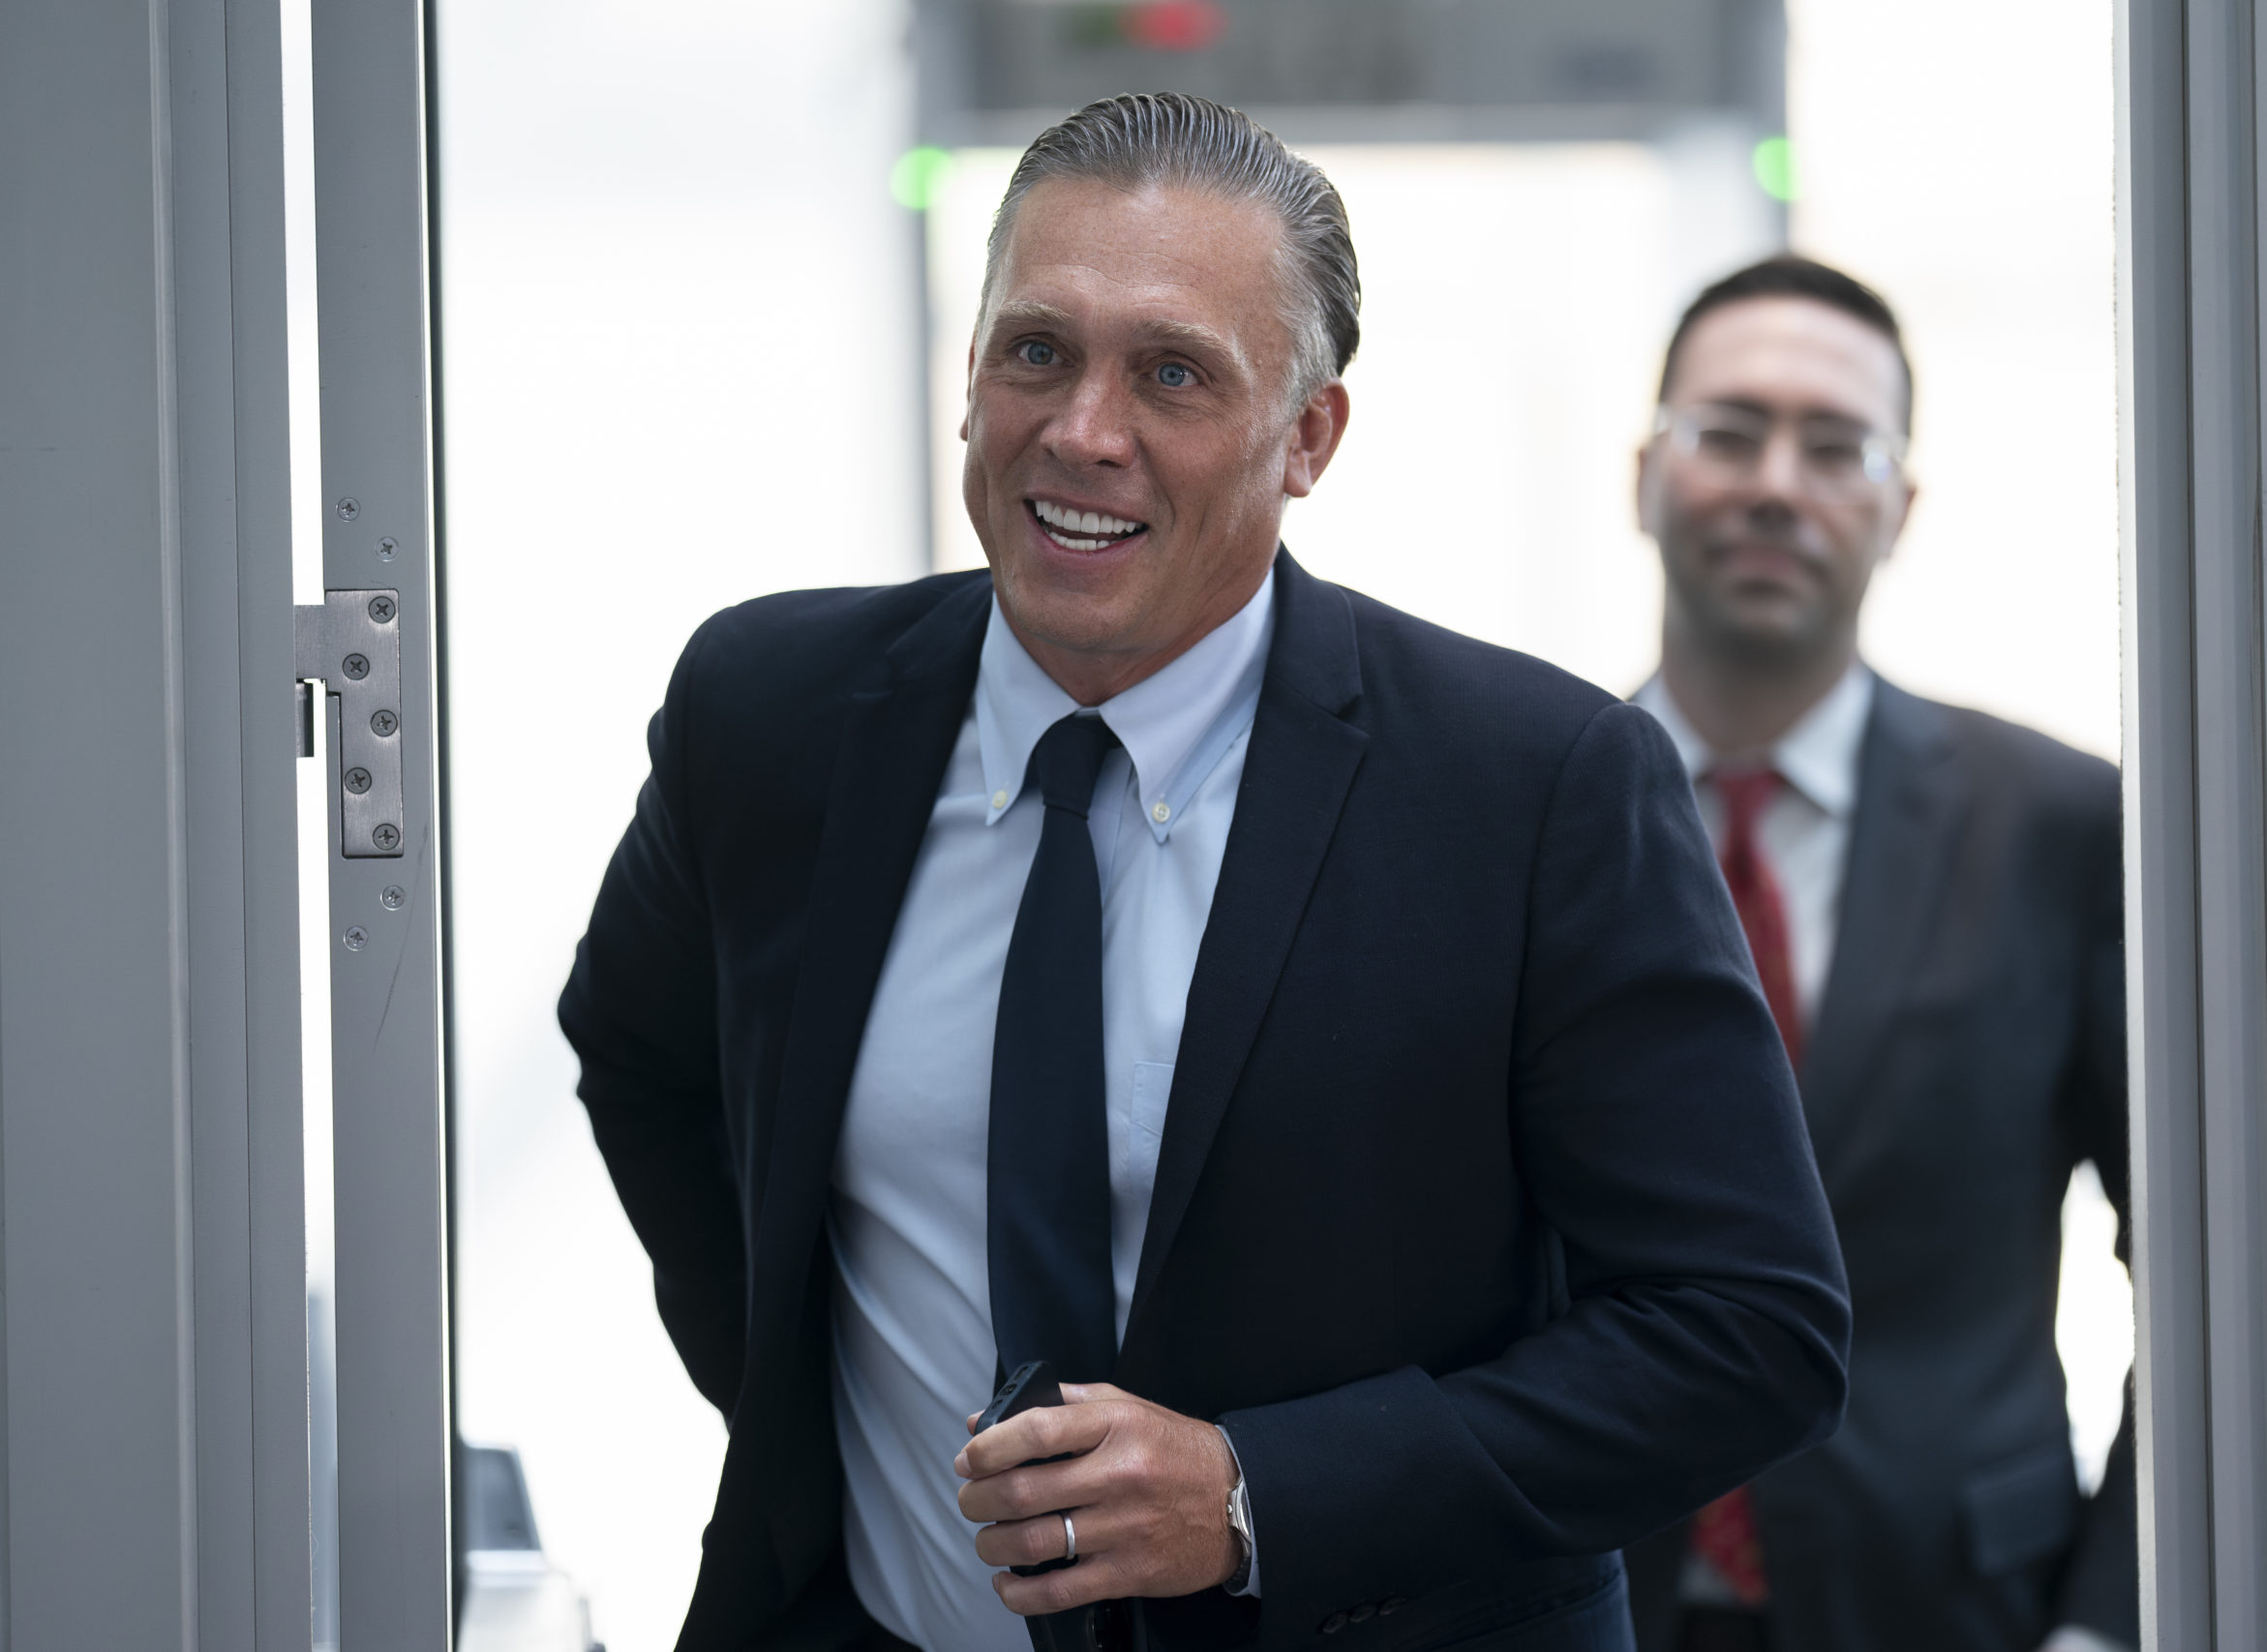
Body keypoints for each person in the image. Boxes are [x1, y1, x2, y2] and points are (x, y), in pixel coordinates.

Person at [560, 95, 1851, 1652]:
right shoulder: (768, 713)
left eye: (1171, 373)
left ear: (1307, 436)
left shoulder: (1539, 789)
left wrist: (1256, 1496)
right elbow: (642, 1060)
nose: (1084, 430)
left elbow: (1745, 1332)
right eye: (1036, 350)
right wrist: (807, 1406)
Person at [1615, 255, 2134, 1652]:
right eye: (1728, 432)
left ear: (1897, 509)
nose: (1777, 481)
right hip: (1599, 1596)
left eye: (1835, 445)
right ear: (1646, 477)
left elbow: (2206, 1276)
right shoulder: (1533, 819)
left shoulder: (2059, 827)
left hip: (1962, 1603)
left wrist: (2107, 1621)